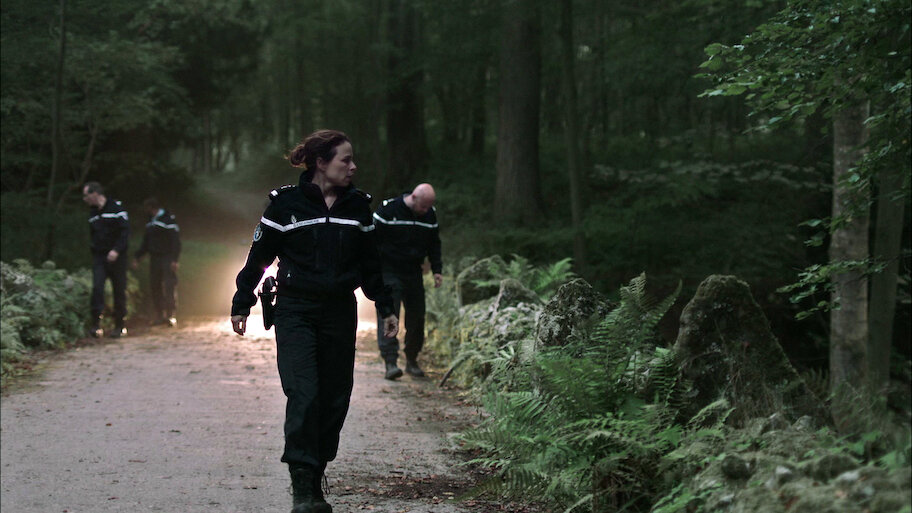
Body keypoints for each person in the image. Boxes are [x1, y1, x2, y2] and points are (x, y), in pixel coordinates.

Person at [230, 129, 398, 513]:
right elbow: (259, 257)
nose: (353, 167)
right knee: (304, 394)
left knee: (334, 399)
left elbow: (371, 265)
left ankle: (317, 471)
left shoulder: (358, 207)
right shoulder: (285, 204)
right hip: (295, 310)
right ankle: (303, 488)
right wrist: (242, 301)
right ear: (321, 163)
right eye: (345, 160)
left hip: (340, 311)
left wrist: (386, 306)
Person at [372, 183, 442, 380]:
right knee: (389, 315)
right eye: (423, 206)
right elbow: (371, 241)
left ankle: (412, 359)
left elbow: (434, 244)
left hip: (414, 272)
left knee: (417, 317)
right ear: (413, 197)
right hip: (389, 270)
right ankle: (390, 362)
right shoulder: (388, 210)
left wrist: (437, 270)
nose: (426, 210)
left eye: (429, 206)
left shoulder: (429, 215)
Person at [82, 181, 130, 338]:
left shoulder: (116, 208)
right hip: (100, 257)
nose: (84, 199)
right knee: (97, 288)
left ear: (95, 193)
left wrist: (116, 250)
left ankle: (119, 325)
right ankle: (96, 325)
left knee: (119, 290)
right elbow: (93, 235)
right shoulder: (93, 213)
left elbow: (125, 233)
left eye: (86, 195)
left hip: (118, 258)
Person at [132, 197, 181, 326]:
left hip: (167, 257)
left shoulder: (168, 219)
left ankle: (170, 315)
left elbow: (175, 241)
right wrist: (138, 256)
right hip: (155, 258)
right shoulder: (150, 222)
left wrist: (175, 259)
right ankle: (159, 314)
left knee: (169, 285)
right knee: (155, 286)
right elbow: (146, 243)